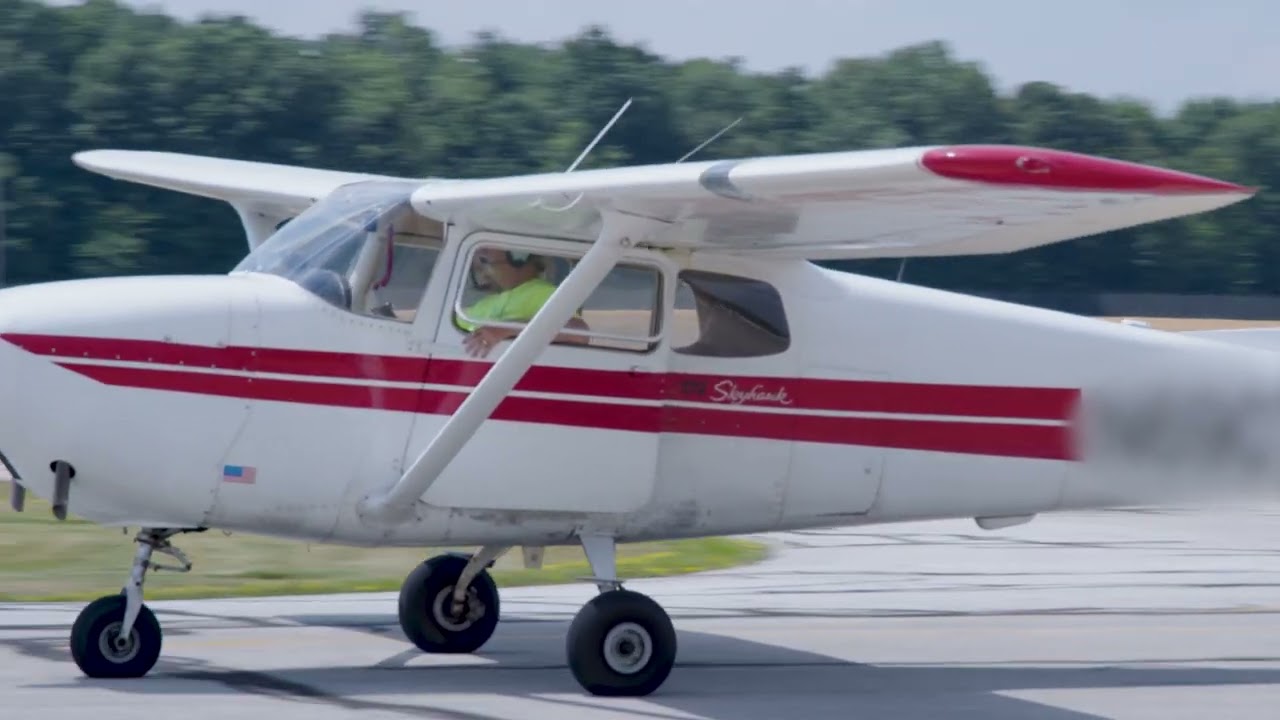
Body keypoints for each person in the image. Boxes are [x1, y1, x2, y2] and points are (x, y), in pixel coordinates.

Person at [457, 247, 589, 357]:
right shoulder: (485, 304)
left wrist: (504, 330)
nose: (482, 272)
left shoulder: (547, 294)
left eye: (484, 260)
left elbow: (578, 334)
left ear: (518, 256)